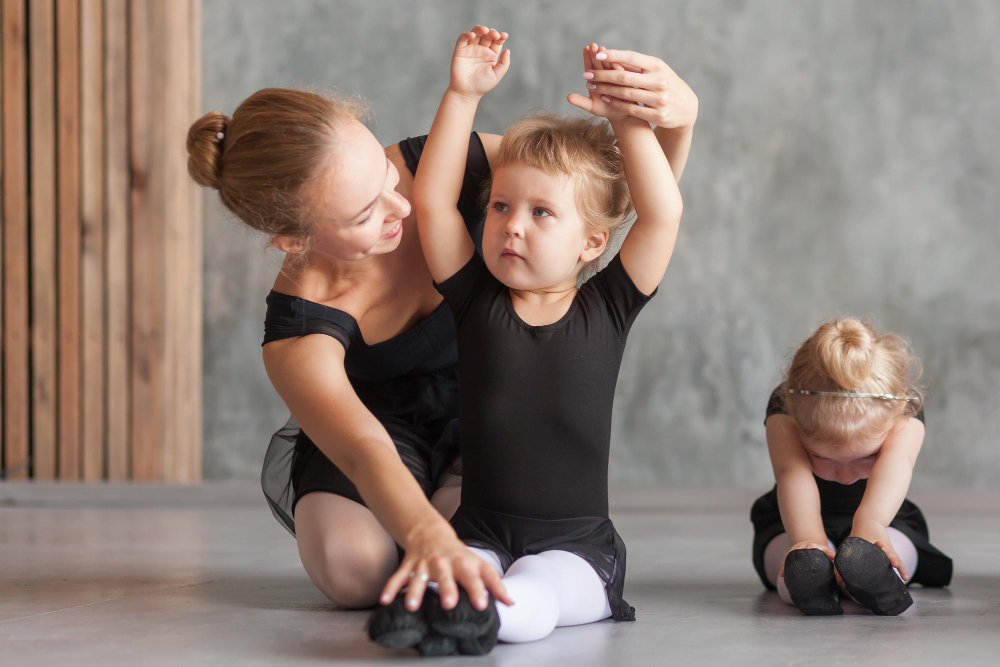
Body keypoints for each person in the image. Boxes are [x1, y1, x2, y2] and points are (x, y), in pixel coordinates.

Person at [185, 31, 697, 619]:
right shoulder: (299, 331)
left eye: (385, 174)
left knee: (488, 540)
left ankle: (456, 506)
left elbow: (616, 203)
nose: (399, 206)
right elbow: (364, 449)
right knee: (355, 569)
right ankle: (432, 527)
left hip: (487, 407)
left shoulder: (455, 167)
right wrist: (428, 535)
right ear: (294, 240)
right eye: (364, 212)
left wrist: (675, 121)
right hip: (384, 428)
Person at [368, 25, 685, 655]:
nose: (513, 227)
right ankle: (444, 610)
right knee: (457, 565)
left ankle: (482, 619)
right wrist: (462, 95)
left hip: (577, 549)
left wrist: (628, 121)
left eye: (541, 213)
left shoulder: (611, 306)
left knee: (536, 584)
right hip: (479, 528)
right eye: (501, 208)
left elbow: (661, 213)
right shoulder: (473, 301)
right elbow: (432, 203)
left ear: (592, 241)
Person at [751, 317, 952, 616]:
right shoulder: (786, 407)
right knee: (793, 556)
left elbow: (896, 467)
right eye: (824, 459)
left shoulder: (905, 410)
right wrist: (809, 538)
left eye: (866, 458)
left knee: (887, 551)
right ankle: (812, 581)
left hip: (884, 519)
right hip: (796, 518)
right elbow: (791, 474)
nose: (846, 475)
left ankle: (870, 579)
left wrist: (870, 524)